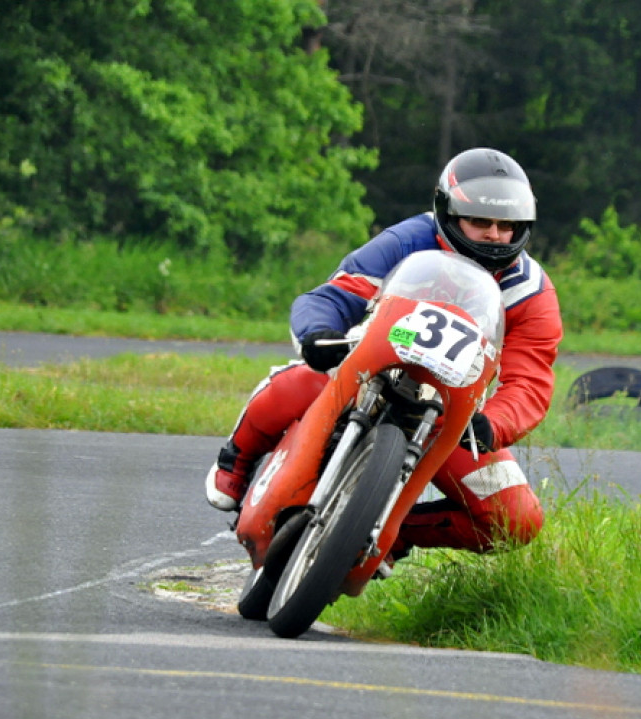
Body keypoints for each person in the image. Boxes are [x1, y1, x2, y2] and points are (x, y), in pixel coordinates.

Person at [206, 147, 563, 555]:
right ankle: (237, 456)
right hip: (370, 372)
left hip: (450, 417)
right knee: (299, 383)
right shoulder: (408, 239)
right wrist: (319, 333)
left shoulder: (532, 292)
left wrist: (494, 424)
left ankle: (388, 528)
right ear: (448, 213)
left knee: (515, 519)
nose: (495, 235)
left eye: (507, 225)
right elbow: (335, 295)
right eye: (480, 221)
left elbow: (530, 382)